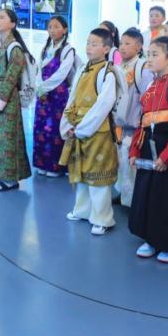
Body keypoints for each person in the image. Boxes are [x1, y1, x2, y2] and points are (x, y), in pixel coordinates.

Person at [129, 36, 168, 263]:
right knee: (147, 195)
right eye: (148, 54)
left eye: (155, 54)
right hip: (148, 146)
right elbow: (142, 122)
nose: (149, 58)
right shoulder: (152, 85)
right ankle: (151, 239)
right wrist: (134, 151)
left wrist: (167, 156)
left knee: (167, 199)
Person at [59, 28, 119, 235]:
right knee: (82, 173)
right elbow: (73, 97)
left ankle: (103, 218)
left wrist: (83, 128)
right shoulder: (83, 68)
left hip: (97, 131)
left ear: (106, 49)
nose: (89, 47)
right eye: (88, 43)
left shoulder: (107, 72)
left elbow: (103, 105)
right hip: (79, 128)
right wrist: (67, 124)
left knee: (98, 178)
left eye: (94, 44)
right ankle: (82, 210)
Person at [0, 9, 33, 191]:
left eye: (2, 17)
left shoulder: (15, 48)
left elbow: (11, 78)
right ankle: (1, 175)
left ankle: (10, 179)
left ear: (12, 24)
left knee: (8, 139)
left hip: (8, 100)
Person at [115, 28, 154, 206]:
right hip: (119, 124)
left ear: (139, 47)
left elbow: (147, 96)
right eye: (121, 43)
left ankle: (133, 201)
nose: (122, 47)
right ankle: (122, 194)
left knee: (131, 163)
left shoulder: (142, 68)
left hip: (134, 125)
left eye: (128, 44)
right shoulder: (119, 67)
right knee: (120, 162)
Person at [33, 16, 75, 178]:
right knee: (40, 128)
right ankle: (42, 164)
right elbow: (38, 69)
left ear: (65, 30)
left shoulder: (68, 50)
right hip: (43, 94)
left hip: (57, 95)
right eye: (50, 27)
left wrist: (45, 87)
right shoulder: (45, 48)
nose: (52, 30)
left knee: (56, 130)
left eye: (56, 27)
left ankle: (56, 167)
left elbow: (62, 73)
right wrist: (39, 86)